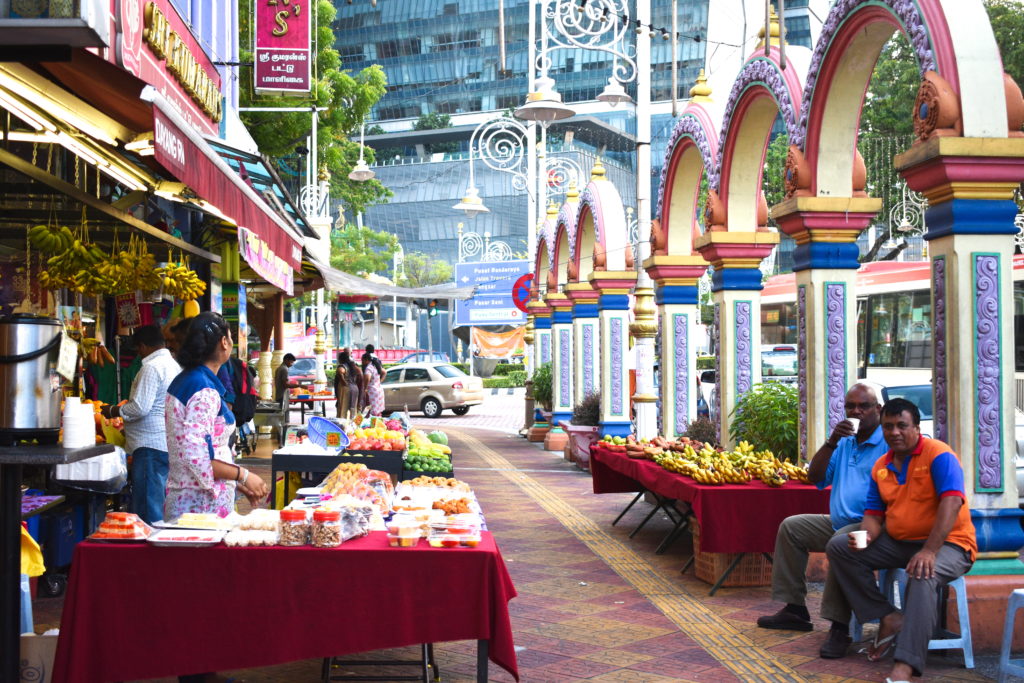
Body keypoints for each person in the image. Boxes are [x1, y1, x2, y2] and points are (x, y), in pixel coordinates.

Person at [826, 398, 976, 682]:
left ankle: (904, 667)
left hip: (949, 544)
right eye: (888, 427)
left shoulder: (939, 454)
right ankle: (888, 616)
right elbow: (873, 513)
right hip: (899, 542)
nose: (894, 432)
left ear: (917, 427)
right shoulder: (881, 466)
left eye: (901, 426)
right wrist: (866, 538)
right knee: (840, 547)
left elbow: (952, 503)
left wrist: (930, 551)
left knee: (922, 573)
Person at [757, 383, 887, 659]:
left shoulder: (887, 443)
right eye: (850, 406)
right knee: (792, 527)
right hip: (838, 520)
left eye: (863, 406)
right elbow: (815, 477)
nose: (856, 411)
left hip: (870, 525)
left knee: (840, 544)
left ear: (878, 410)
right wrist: (831, 442)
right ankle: (795, 609)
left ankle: (840, 627)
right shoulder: (845, 442)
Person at [164, 312, 268, 520]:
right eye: (230, 337)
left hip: (193, 499)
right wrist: (244, 476)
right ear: (224, 342)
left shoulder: (188, 380)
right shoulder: (203, 390)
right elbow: (198, 459)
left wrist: (235, 484)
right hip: (200, 509)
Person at [101, 325, 180, 524]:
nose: (138, 354)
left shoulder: (151, 368)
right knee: (157, 501)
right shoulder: (172, 365)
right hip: (163, 443)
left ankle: (148, 549)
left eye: (138, 349)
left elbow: (139, 408)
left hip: (149, 446)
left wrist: (113, 411)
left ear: (143, 346)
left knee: (148, 506)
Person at [361, 351, 384, 416]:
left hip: (372, 392)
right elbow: (384, 372)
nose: (362, 362)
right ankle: (378, 424)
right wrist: (379, 382)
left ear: (366, 360)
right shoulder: (376, 366)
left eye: (362, 360)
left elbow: (367, 378)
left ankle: (373, 425)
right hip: (379, 390)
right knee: (378, 411)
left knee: (371, 410)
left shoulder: (369, 368)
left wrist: (365, 388)